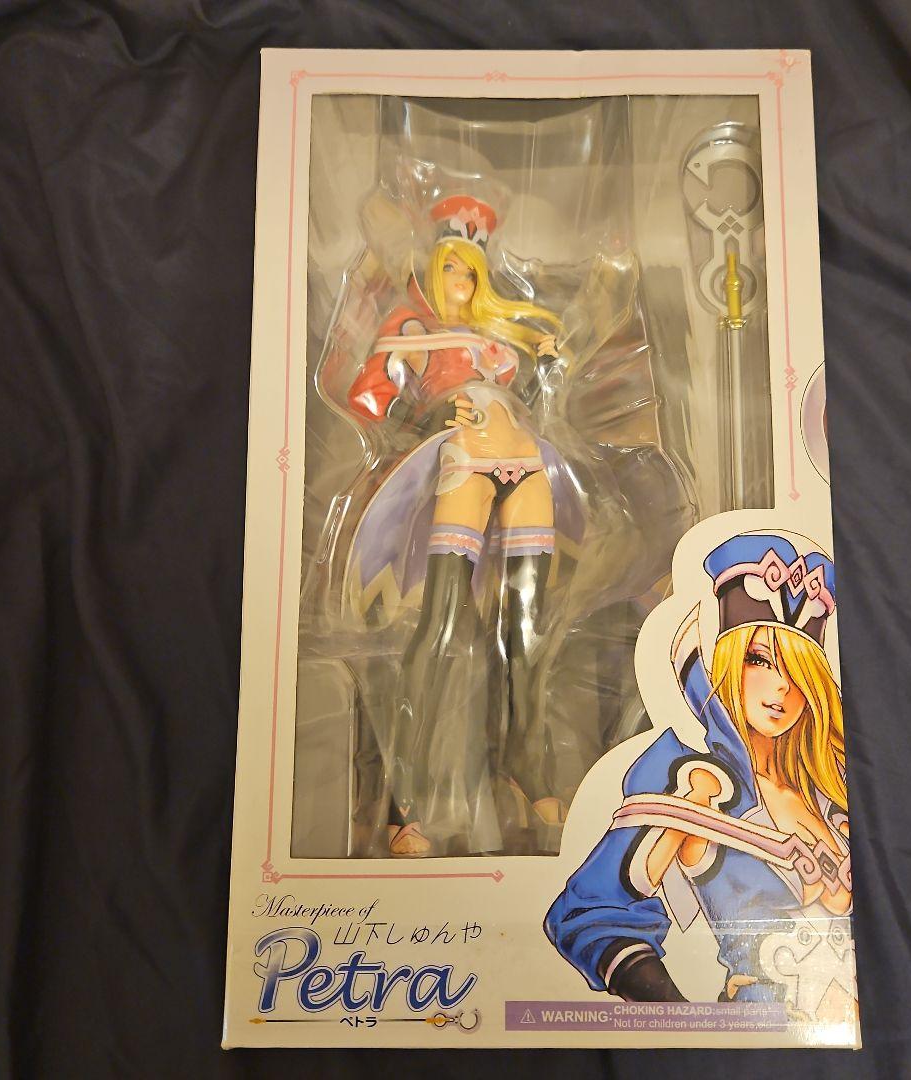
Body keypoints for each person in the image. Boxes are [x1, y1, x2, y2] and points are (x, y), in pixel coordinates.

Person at [344, 195, 580, 857]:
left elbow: (533, 398)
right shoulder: (412, 328)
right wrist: (427, 415)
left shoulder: (497, 341)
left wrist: (550, 364)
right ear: (434, 268)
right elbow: (369, 402)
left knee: (527, 627)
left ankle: (525, 766)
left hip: (527, 461)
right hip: (462, 460)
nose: (463, 283)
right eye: (452, 268)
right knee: (442, 624)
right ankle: (406, 802)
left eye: (472, 273)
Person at [546, 533, 855, 1020]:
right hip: (757, 1033)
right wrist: (681, 1018)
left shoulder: (834, 791)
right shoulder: (699, 785)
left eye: (798, 671)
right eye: (759, 660)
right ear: (725, 661)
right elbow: (590, 913)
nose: (781, 687)